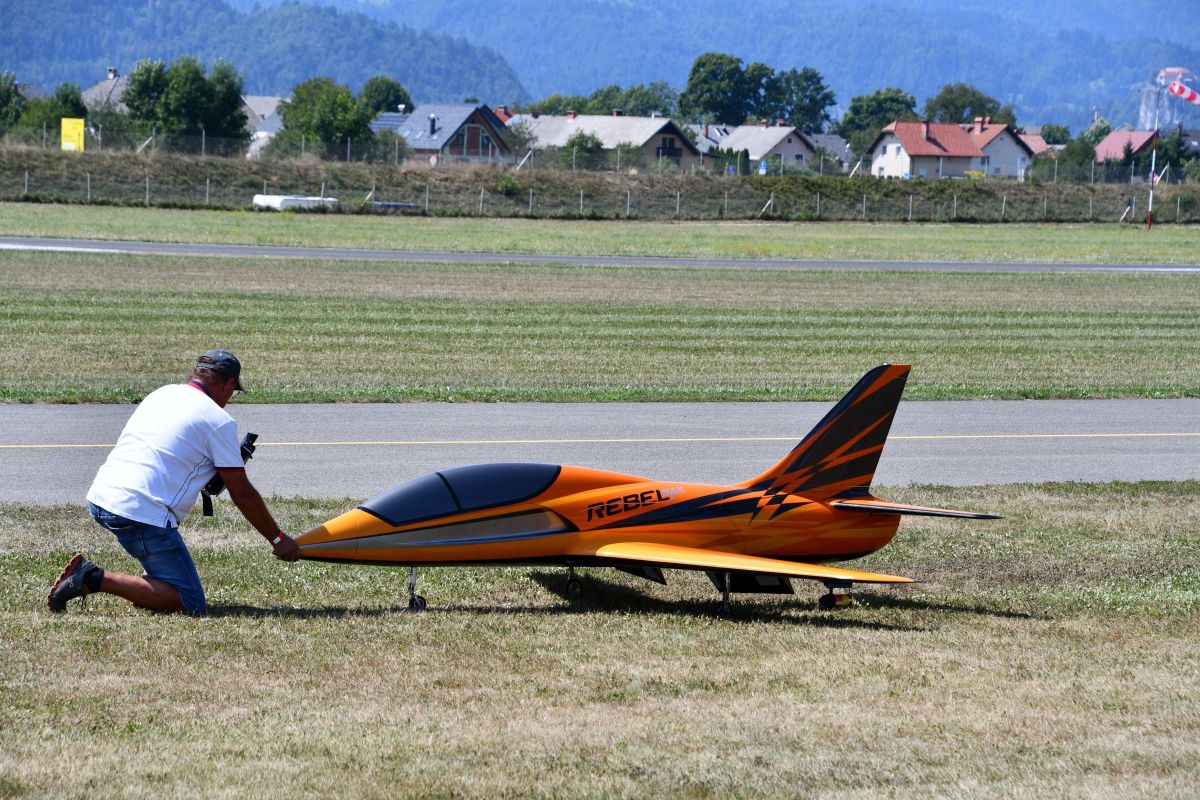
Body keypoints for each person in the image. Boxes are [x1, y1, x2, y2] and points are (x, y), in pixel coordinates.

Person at [47, 349, 300, 615]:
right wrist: (278, 538)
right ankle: (91, 577)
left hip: (102, 497)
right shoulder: (218, 420)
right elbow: (242, 493)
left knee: (168, 581)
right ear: (228, 383)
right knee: (189, 601)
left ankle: (150, 591)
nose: (229, 399)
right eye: (234, 391)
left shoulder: (162, 393)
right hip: (137, 512)